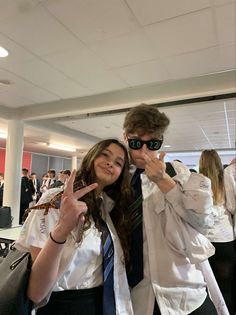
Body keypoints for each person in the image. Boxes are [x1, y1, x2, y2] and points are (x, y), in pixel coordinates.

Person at [15, 139, 134, 315]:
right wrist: (63, 228)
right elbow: (36, 293)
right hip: (64, 305)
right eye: (105, 155)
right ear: (91, 157)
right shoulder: (56, 199)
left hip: (101, 303)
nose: (110, 163)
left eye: (118, 163)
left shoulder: (107, 208)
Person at [122, 104, 218, 315]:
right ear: (125, 137)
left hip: (185, 292)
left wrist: (165, 183)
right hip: (135, 297)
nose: (144, 151)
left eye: (153, 143)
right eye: (137, 143)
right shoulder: (116, 180)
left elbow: (205, 224)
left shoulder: (179, 173)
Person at [199, 150, 236, 314]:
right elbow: (232, 207)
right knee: (226, 287)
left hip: (205, 241)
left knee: (207, 288)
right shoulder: (225, 179)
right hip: (225, 240)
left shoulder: (197, 182)